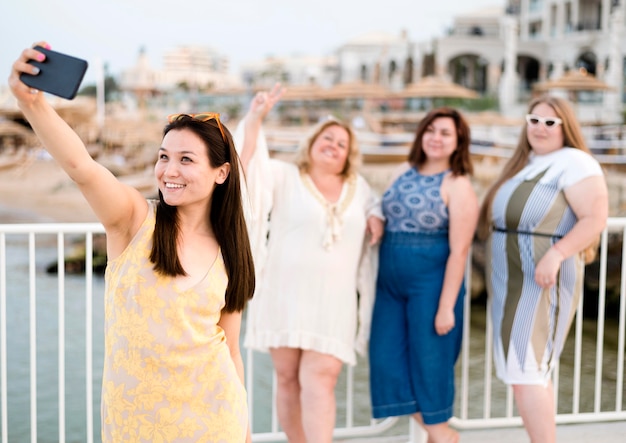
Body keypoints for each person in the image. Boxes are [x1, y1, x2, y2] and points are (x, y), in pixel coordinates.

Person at [9, 43, 255, 443]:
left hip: (214, 422)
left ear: (221, 172)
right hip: (135, 427)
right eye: (163, 157)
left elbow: (230, 351)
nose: (168, 170)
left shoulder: (231, 251)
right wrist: (31, 103)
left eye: (186, 160)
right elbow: (81, 167)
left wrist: (244, 432)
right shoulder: (134, 221)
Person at [237, 84, 384, 443]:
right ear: (312, 142)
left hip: (333, 302)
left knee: (321, 380)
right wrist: (256, 117)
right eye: (327, 138)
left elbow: (375, 205)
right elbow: (247, 167)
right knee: (287, 379)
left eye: (341, 143)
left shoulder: (358, 186)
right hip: (283, 294)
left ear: (349, 155)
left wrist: (376, 215)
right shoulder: (285, 175)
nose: (333, 145)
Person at [477, 95, 608, 443]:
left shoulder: (575, 162)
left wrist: (557, 254)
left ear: (566, 127)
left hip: (542, 277)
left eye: (550, 122)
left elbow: (595, 218)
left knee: (527, 369)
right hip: (511, 279)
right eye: (533, 120)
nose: (540, 128)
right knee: (525, 371)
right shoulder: (529, 163)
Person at [368, 107, 478, 443]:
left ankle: (441, 436)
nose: (436, 137)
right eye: (430, 130)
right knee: (385, 362)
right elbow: (381, 205)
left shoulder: (458, 185)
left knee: (430, 368)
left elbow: (459, 251)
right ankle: (442, 435)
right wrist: (375, 217)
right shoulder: (403, 170)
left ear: (458, 141)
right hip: (388, 284)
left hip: (430, 288)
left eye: (445, 132)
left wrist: (446, 306)